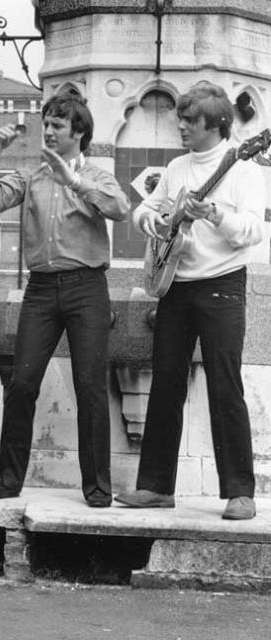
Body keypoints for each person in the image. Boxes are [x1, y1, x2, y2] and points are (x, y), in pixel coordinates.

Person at [115, 82, 267, 520]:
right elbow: (144, 210)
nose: (180, 126)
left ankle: (240, 492)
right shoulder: (177, 167)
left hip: (222, 285)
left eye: (189, 120)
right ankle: (155, 487)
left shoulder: (243, 169)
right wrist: (156, 221)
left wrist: (217, 215)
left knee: (225, 385)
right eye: (180, 118)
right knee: (165, 383)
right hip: (176, 285)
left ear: (215, 126)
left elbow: (255, 232)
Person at [0, 91, 130, 507]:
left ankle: (97, 487)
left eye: (57, 126)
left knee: (90, 386)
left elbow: (121, 208)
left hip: (87, 287)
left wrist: (74, 182)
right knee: (22, 383)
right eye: (46, 125)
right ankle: (7, 479)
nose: (48, 131)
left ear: (78, 132)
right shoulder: (32, 177)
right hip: (41, 289)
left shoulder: (95, 176)